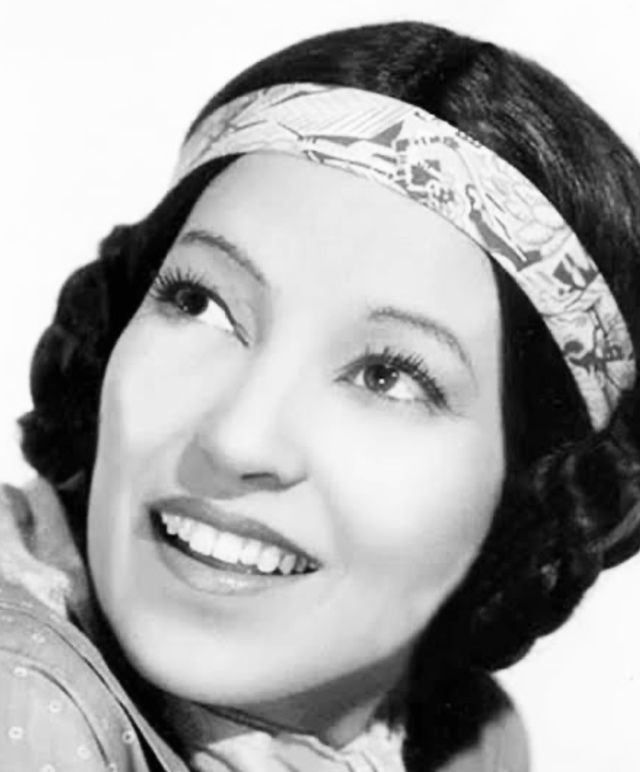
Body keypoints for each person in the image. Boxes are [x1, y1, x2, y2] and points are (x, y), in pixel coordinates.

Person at [2, 19, 640, 772]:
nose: (237, 438)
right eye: (200, 302)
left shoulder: (463, 742)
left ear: (533, 496)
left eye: (387, 375)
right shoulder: (29, 711)